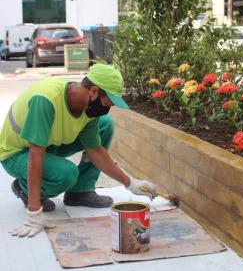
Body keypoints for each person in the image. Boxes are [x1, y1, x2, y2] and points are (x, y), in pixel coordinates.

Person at [0, 63, 157, 238]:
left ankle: (79, 192)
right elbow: (35, 156)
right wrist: (34, 212)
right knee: (67, 173)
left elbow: (95, 150)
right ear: (94, 91)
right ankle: (24, 189)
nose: (108, 108)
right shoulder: (45, 99)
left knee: (105, 124)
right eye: (108, 102)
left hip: (49, 145)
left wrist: (130, 183)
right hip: (17, 153)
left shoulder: (88, 109)